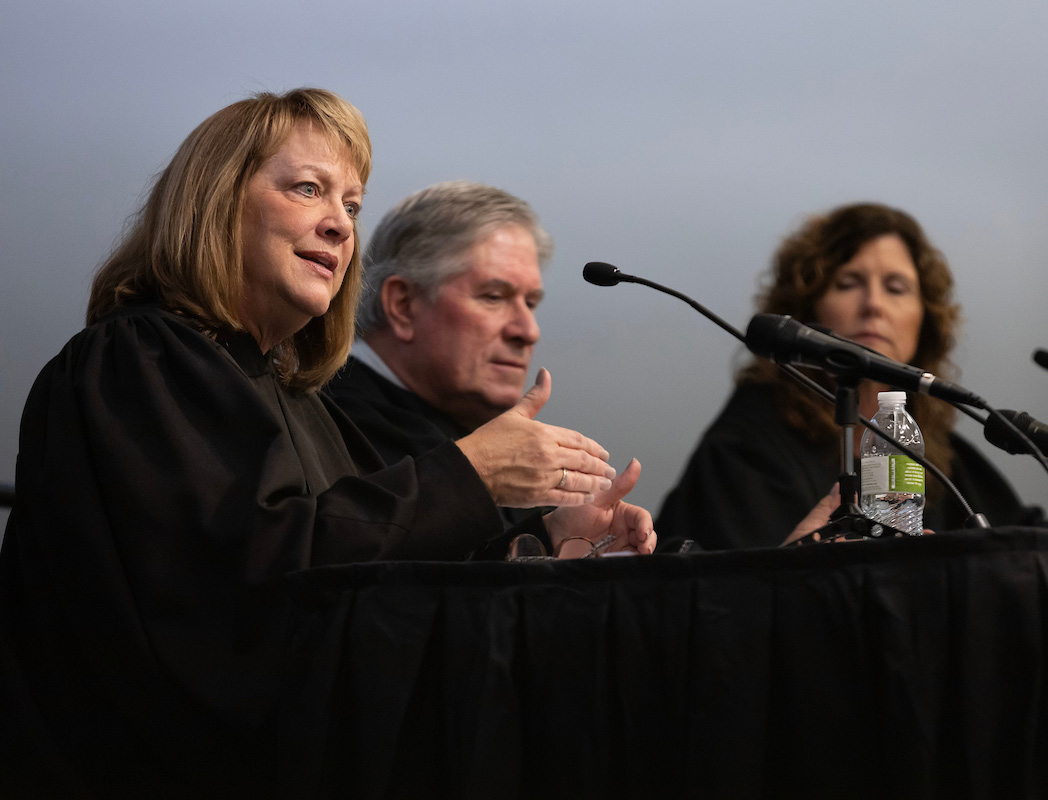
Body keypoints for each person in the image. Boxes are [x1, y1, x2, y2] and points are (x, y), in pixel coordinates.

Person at [0, 88, 653, 797]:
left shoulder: (297, 398)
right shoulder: (138, 360)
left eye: (351, 205)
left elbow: (383, 571)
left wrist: (548, 546)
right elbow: (260, 579)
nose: (340, 227)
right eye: (308, 189)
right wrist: (469, 472)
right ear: (215, 202)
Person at [657, 202, 1035, 550]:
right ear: (807, 308)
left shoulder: (937, 450)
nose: (873, 305)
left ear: (926, 320)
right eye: (848, 283)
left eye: (895, 288)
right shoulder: (745, 443)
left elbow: (1032, 542)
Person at [324, 181, 648, 556]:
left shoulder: (483, 440)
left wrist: (554, 542)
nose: (528, 331)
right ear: (403, 305)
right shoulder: (332, 423)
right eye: (494, 297)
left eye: (531, 303)